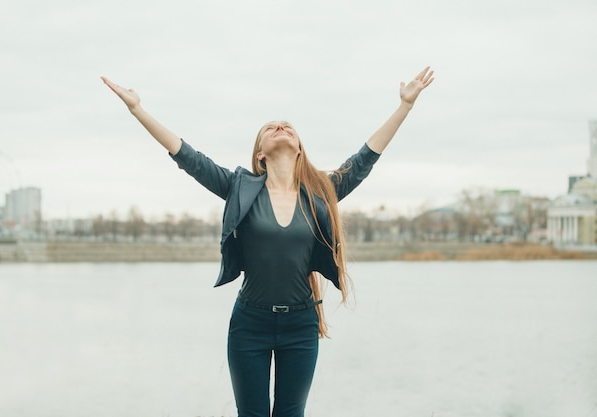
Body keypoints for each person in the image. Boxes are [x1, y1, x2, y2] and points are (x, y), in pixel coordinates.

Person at [101, 66, 434, 417]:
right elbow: (187, 157)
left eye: (288, 127)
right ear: (260, 153)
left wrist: (404, 107)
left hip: (301, 325)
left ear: (299, 149)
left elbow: (365, 158)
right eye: (271, 128)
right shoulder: (239, 188)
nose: (281, 127)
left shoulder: (321, 192)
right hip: (250, 324)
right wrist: (137, 109)